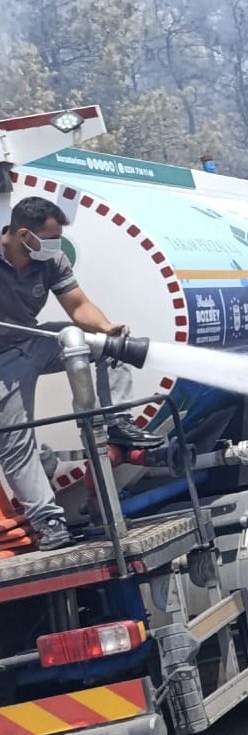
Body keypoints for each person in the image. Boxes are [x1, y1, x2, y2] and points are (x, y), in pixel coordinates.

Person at [0, 196, 158, 552]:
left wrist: (106, 327)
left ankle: (116, 422)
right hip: (2, 360)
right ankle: (49, 522)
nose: (56, 246)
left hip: (34, 339)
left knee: (108, 346)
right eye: (51, 238)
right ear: (23, 235)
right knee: (15, 442)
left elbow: (78, 305)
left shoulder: (51, 260)